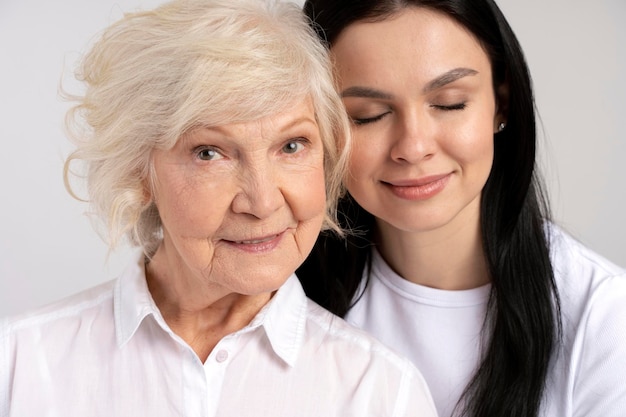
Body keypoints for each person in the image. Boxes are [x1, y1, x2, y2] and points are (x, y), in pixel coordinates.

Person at [0, 1, 439, 415]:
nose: (263, 201)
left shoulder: (381, 391)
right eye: (209, 153)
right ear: (139, 171)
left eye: (292, 145)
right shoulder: (18, 364)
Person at [296, 1, 626, 417]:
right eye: (368, 115)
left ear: (501, 103)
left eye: (450, 103)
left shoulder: (606, 321)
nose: (414, 147)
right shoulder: (275, 305)